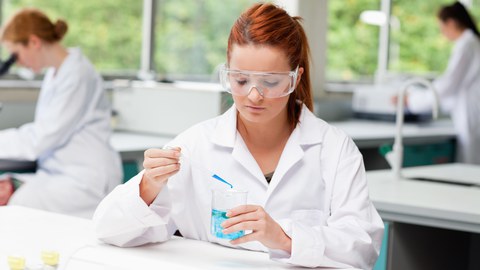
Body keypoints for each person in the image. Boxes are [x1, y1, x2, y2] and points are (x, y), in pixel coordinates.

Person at [93, 3, 383, 269]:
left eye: (270, 82)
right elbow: (108, 228)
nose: (253, 95)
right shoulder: (196, 145)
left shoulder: (333, 148)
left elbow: (363, 246)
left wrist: (284, 238)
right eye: (241, 80)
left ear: (295, 78)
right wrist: (148, 186)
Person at [0, 8, 122, 218]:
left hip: (84, 180)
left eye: (16, 54)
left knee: (12, 207)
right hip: (59, 174)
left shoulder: (78, 74)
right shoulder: (57, 73)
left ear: (34, 42)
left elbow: (40, 138)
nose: (17, 63)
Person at [406, 1, 480, 164]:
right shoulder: (472, 43)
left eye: (442, 28)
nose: (443, 33)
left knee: (471, 168)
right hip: (471, 113)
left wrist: (412, 100)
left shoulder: (467, 44)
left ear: (451, 23)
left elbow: (449, 85)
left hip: (471, 115)